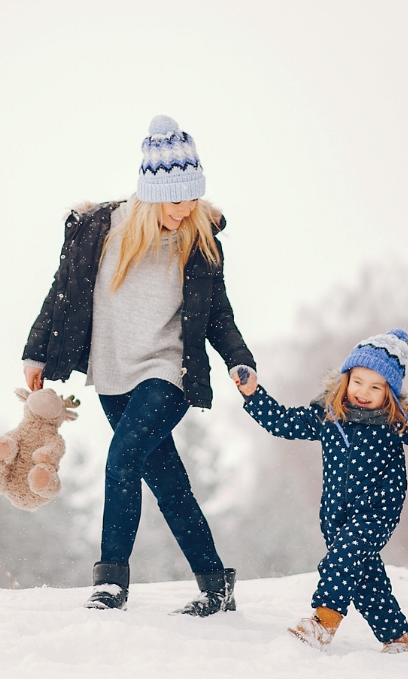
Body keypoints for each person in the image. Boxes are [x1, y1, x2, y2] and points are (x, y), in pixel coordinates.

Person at [22, 115, 258, 615]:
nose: (186, 208)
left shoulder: (200, 239)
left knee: (122, 459)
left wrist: (239, 360)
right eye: (176, 199)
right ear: (151, 195)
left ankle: (110, 581)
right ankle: (216, 585)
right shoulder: (98, 231)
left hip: (168, 371)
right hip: (112, 376)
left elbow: (218, 314)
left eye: (193, 197)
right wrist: (35, 350)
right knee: (167, 481)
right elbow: (59, 294)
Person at [236, 329, 408, 653]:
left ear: (389, 391)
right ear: (346, 378)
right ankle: (396, 636)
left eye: (376, 386)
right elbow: (281, 422)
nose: (364, 391)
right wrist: (253, 393)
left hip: (378, 508)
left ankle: (323, 623)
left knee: (343, 559)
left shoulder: (394, 421)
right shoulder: (328, 415)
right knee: (365, 578)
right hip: (335, 513)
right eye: (358, 381)